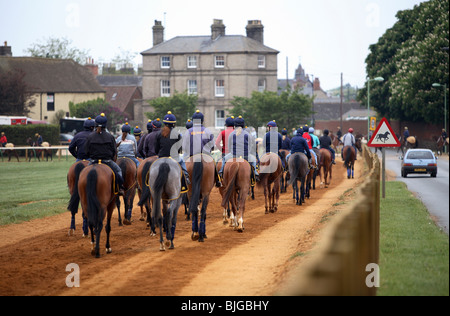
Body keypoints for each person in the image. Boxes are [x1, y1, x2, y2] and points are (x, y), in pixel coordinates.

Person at [84, 113, 125, 194]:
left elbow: (86, 151)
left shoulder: (90, 136)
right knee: (118, 170)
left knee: (83, 174)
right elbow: (114, 151)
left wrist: (92, 156)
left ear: (95, 124)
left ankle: (80, 191)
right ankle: (119, 188)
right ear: (105, 125)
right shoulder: (110, 137)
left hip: (93, 161)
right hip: (107, 162)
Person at [183, 110, 220, 187]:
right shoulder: (208, 131)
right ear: (202, 120)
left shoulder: (188, 131)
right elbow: (212, 145)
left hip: (192, 156)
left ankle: (183, 180)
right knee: (214, 163)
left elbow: (184, 147)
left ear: (193, 120)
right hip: (206, 156)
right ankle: (217, 180)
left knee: (183, 167)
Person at [154, 111, 190, 189]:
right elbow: (179, 149)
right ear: (173, 124)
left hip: (161, 157)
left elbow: (156, 149)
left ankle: (148, 183)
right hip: (173, 157)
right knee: (182, 162)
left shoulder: (159, 133)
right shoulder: (177, 133)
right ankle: (186, 178)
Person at [219, 116, 259, 181]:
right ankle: (255, 173)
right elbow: (250, 146)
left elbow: (229, 146)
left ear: (235, 124)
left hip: (234, 155)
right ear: (243, 125)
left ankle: (221, 172)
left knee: (223, 159)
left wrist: (232, 151)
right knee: (254, 160)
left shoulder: (232, 134)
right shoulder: (247, 134)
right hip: (245, 155)